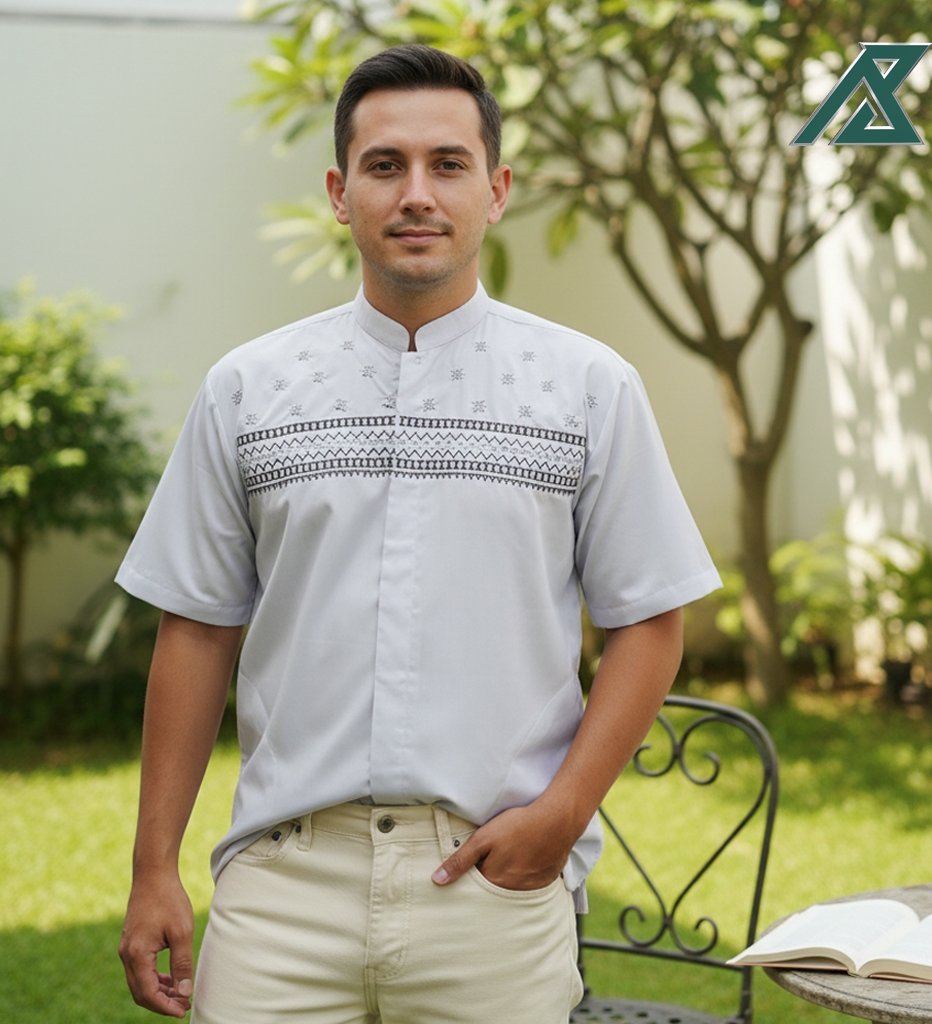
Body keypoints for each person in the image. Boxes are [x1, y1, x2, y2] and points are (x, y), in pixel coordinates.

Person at [116, 43, 721, 1024]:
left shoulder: (587, 388)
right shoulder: (248, 390)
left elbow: (649, 621)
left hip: (492, 884)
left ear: (496, 190)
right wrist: (154, 869)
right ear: (338, 192)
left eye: (448, 164)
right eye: (384, 165)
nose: (416, 195)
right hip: (282, 889)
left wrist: (562, 814)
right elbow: (195, 629)